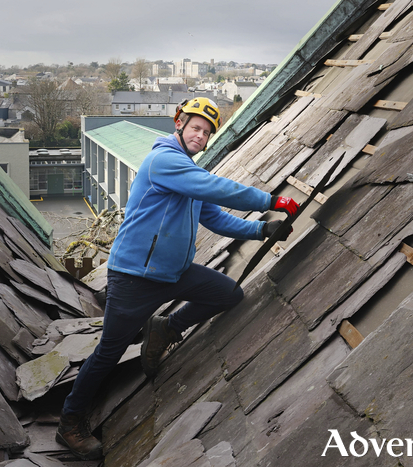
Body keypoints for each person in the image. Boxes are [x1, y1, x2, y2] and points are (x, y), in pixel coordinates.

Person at [56, 97, 299, 460]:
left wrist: (262, 231)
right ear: (179, 126)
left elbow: (215, 217)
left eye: (206, 132)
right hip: (135, 277)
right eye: (195, 128)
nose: (200, 136)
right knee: (109, 352)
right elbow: (217, 188)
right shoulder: (164, 160)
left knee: (227, 293)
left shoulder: (185, 171)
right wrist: (270, 200)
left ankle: (166, 328)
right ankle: (70, 423)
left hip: (174, 273)